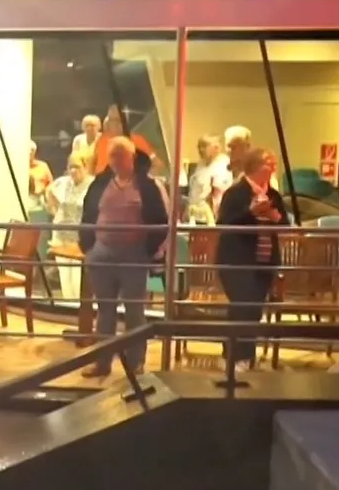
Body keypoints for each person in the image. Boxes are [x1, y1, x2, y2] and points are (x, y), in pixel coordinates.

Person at [79, 137, 170, 377]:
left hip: (133, 255)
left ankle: (135, 364)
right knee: (105, 311)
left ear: (131, 157)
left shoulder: (147, 186)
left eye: (121, 155)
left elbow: (160, 220)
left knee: (134, 312)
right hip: (102, 253)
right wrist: (88, 247)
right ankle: (102, 363)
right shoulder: (100, 183)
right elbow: (87, 213)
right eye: (112, 156)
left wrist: (147, 251)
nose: (116, 161)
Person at [216, 147, 287, 367]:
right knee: (241, 307)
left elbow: (285, 225)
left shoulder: (274, 195)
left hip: (265, 261)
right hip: (237, 261)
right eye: (268, 160)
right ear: (254, 166)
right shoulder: (236, 193)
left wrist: (276, 218)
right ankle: (235, 357)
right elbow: (225, 225)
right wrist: (252, 214)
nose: (273, 164)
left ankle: (246, 356)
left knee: (254, 309)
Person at [45, 159, 91, 298]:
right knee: (64, 274)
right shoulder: (63, 182)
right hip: (60, 234)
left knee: (77, 275)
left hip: (79, 237)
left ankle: (78, 305)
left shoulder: (92, 185)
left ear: (85, 167)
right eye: (70, 167)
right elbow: (49, 190)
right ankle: (67, 303)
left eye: (77, 167)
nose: (73, 171)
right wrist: (54, 209)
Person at [186, 134, 229, 224]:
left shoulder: (223, 164)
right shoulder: (200, 165)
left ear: (216, 148)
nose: (201, 150)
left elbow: (218, 192)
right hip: (196, 214)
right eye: (199, 147)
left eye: (204, 146)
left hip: (212, 216)